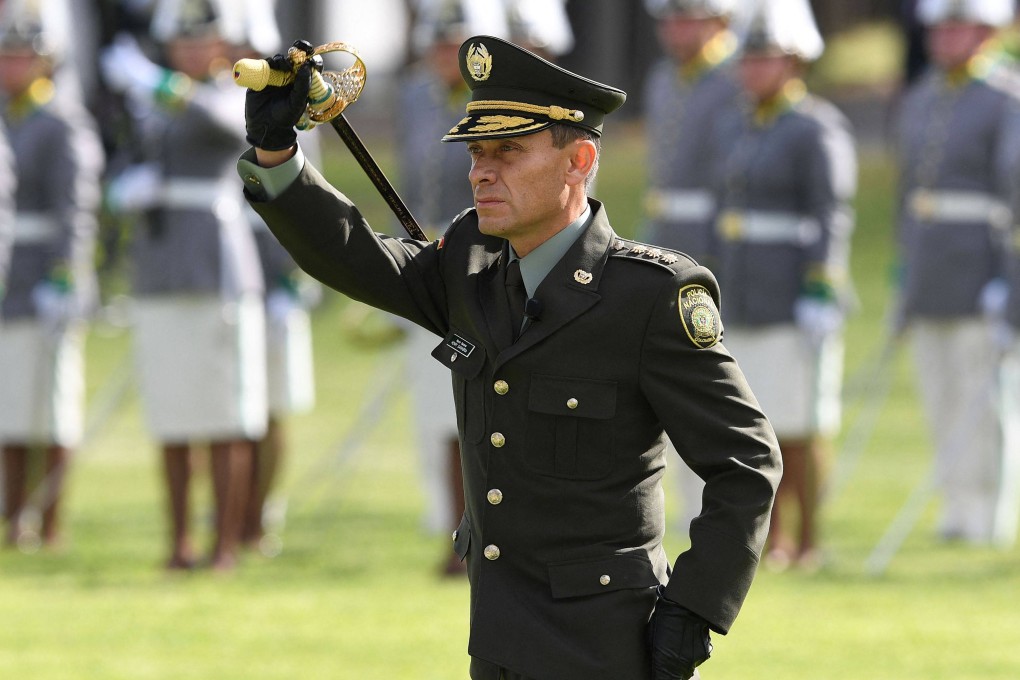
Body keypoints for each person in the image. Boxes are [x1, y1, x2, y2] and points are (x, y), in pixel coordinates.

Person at [240, 34, 781, 680]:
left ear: (578, 160)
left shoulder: (653, 297)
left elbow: (745, 464)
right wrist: (279, 156)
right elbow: (358, 256)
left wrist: (692, 614)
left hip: (608, 647)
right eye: (475, 153)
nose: (481, 172)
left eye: (507, 152)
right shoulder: (474, 260)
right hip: (496, 641)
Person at [102, 0, 267, 570]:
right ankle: (178, 542)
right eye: (181, 43)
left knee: (224, 415)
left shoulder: (231, 90)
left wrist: (157, 84)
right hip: (158, 267)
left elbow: (226, 126)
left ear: (220, 45)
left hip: (216, 266)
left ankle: (224, 543)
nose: (191, 52)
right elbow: (130, 153)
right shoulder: (157, 102)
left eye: (201, 42)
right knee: (171, 414)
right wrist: (124, 184)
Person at [707, 0, 857, 571]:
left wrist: (821, 286)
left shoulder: (816, 126)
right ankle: (769, 539)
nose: (752, 70)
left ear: (794, 62)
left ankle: (809, 537)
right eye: (747, 59)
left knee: (799, 423)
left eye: (764, 59)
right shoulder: (734, 124)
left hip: (793, 293)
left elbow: (830, 214)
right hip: (741, 289)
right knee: (753, 423)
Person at [895, 0, 1020, 545]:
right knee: (940, 390)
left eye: (958, 26)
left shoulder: (1007, 98)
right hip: (932, 270)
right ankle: (955, 502)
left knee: (983, 397)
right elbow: (909, 197)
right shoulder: (922, 97)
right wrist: (906, 274)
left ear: (987, 31)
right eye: (939, 27)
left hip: (981, 267)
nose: (945, 38)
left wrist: (1007, 280)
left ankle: (987, 512)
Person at [398, 0, 509, 576]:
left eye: (458, 46)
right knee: (443, 413)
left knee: (493, 410)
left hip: (492, 267)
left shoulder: (502, 102)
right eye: (439, 46)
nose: (447, 58)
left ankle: (498, 536)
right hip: (434, 271)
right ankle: (456, 533)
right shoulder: (416, 98)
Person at [0, 11, 104, 549]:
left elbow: (76, 209)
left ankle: (51, 522)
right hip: (7, 278)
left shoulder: (61, 119)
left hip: (46, 275)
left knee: (53, 410)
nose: (12, 65)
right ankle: (13, 518)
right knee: (10, 411)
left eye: (23, 55)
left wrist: (66, 277)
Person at [641, 0, 744, 541]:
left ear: (720, 23)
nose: (677, 29)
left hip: (716, 244)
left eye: (690, 18)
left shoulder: (736, 77)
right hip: (666, 234)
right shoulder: (664, 78)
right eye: (671, 19)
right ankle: (680, 508)